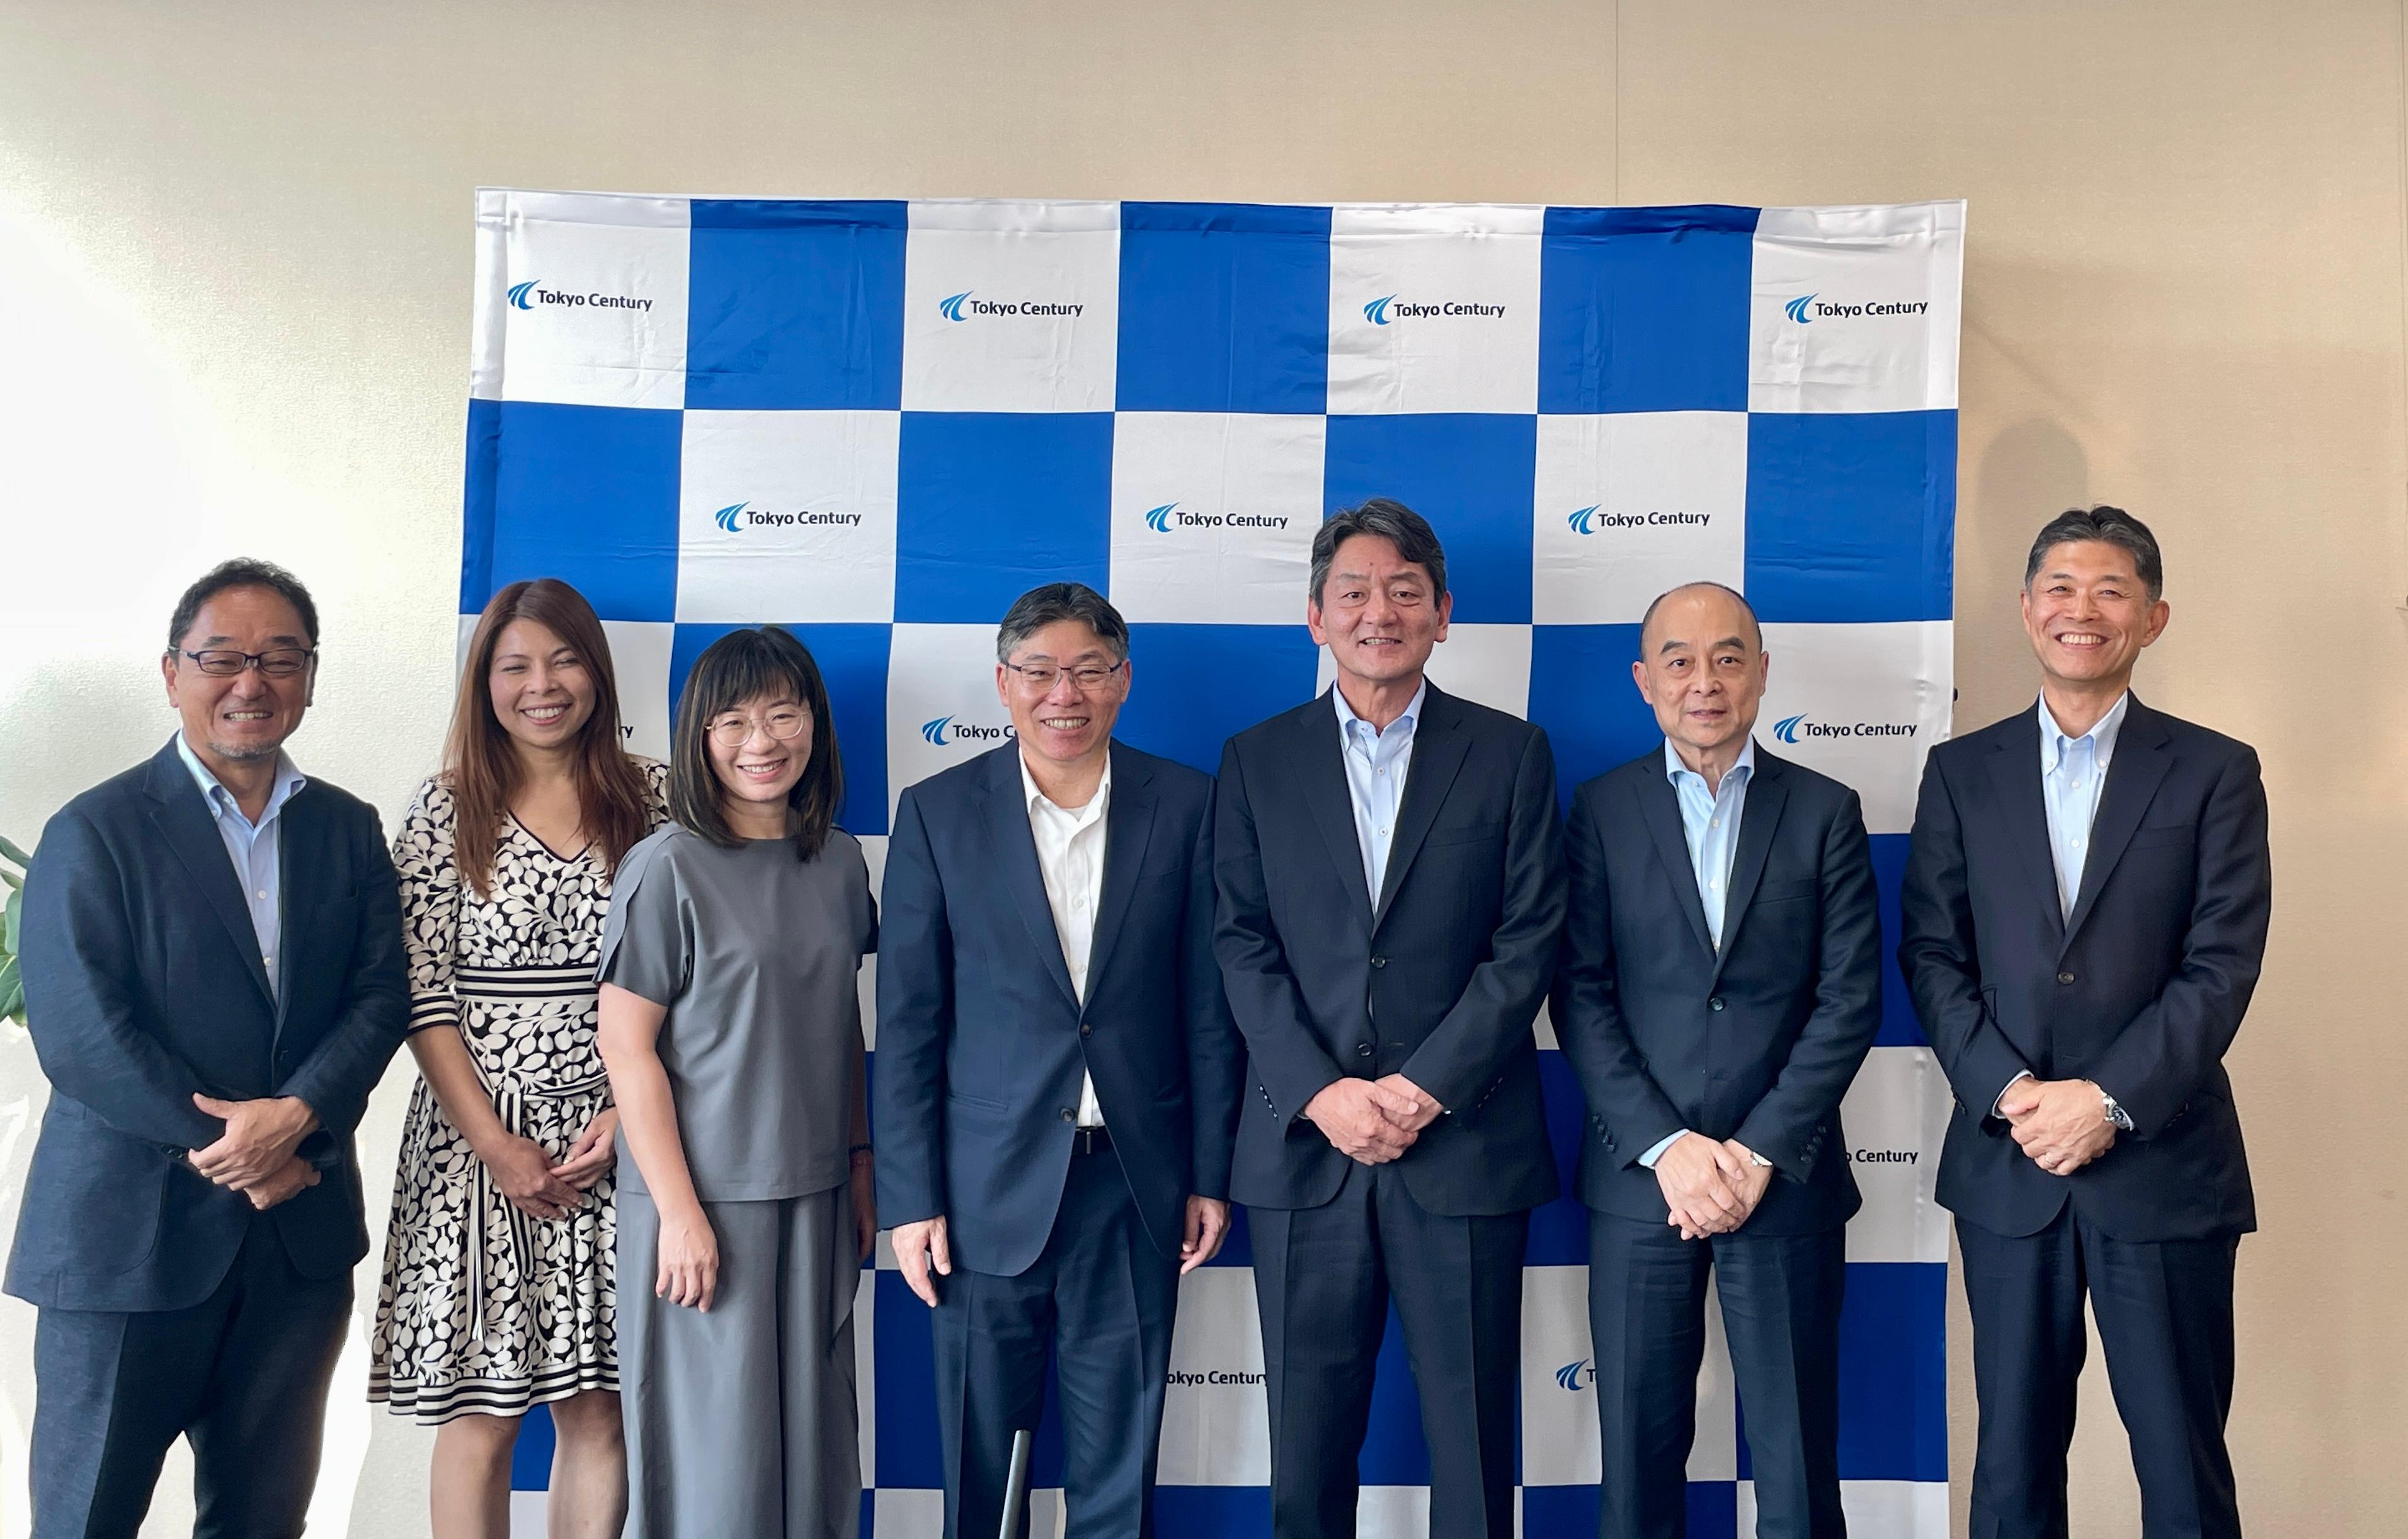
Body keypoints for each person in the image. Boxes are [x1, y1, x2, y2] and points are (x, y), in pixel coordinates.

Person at [8, 558, 409, 1538]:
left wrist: (299, 1120)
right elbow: (82, 1036)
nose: (251, 683)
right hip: (125, 1249)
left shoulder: (347, 830)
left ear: (310, 677)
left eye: (280, 660)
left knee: (262, 1524)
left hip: (295, 1255)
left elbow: (379, 994)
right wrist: (242, 1154)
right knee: (85, 1520)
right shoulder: (94, 830)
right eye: (222, 658)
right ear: (172, 671)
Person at [1900, 507, 2270, 1539]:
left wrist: (2107, 1101)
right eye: (2061, 588)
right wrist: (2017, 1097)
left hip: (2162, 1170)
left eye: (2110, 591)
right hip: (2010, 1171)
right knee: (2012, 1476)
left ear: (2152, 619)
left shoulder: (2214, 770)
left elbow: (2222, 963)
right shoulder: (1961, 773)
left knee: (2183, 1474)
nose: (2082, 610)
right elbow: (1932, 953)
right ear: (2026, 611)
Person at [1213, 499, 1565, 1539]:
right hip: (1303, 1159)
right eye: (1355, 593)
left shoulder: (1511, 754)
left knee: (1472, 1449)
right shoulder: (1256, 760)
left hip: (1460, 1145)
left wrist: (1419, 1089)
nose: (1381, 612)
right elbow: (1239, 942)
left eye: (1406, 591)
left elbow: (1528, 940)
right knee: (1306, 1460)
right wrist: (1323, 1092)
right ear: (1315, 616)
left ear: (1444, 613)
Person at [877, 582, 1241, 1539]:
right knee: (978, 1459)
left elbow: (1209, 1012)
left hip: (1132, 1185)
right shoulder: (937, 814)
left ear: (1123, 681)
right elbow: (909, 1024)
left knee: (1120, 1470)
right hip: (980, 1192)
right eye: (1039, 672)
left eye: (1087, 670)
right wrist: (911, 1199)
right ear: (1003, 685)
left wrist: (1209, 1174)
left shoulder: (1190, 804)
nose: (1063, 694)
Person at [1554, 582, 1882, 1539]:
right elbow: (1580, 992)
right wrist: (1671, 1148)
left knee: (1793, 1465)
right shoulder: (1602, 810)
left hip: (1783, 1180)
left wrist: (1754, 1152)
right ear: (1644, 681)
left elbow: (1849, 996)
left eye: (1729, 658)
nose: (1707, 682)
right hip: (1643, 1188)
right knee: (1639, 1463)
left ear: (1763, 673)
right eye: (1682, 661)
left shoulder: (1825, 810)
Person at [370, 578, 669, 1538]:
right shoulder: (446, 804)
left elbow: (701, 981)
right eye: (516, 666)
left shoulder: (659, 796)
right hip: (476, 1145)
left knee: (601, 1406)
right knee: (480, 1411)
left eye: (565, 659)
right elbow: (421, 992)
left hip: (619, 1133)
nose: (543, 685)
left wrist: (628, 1120)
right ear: (484, 682)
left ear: (598, 671)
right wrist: (496, 1142)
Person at [595, 626, 877, 1538]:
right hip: (705, 1205)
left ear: (813, 724)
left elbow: (842, 1023)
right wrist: (678, 1213)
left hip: (818, 1194)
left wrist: (863, 1162)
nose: (762, 741)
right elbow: (626, 1049)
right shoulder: (666, 865)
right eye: (733, 720)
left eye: (783, 713)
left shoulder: (838, 861)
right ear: (699, 737)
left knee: (816, 1456)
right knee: (715, 1465)